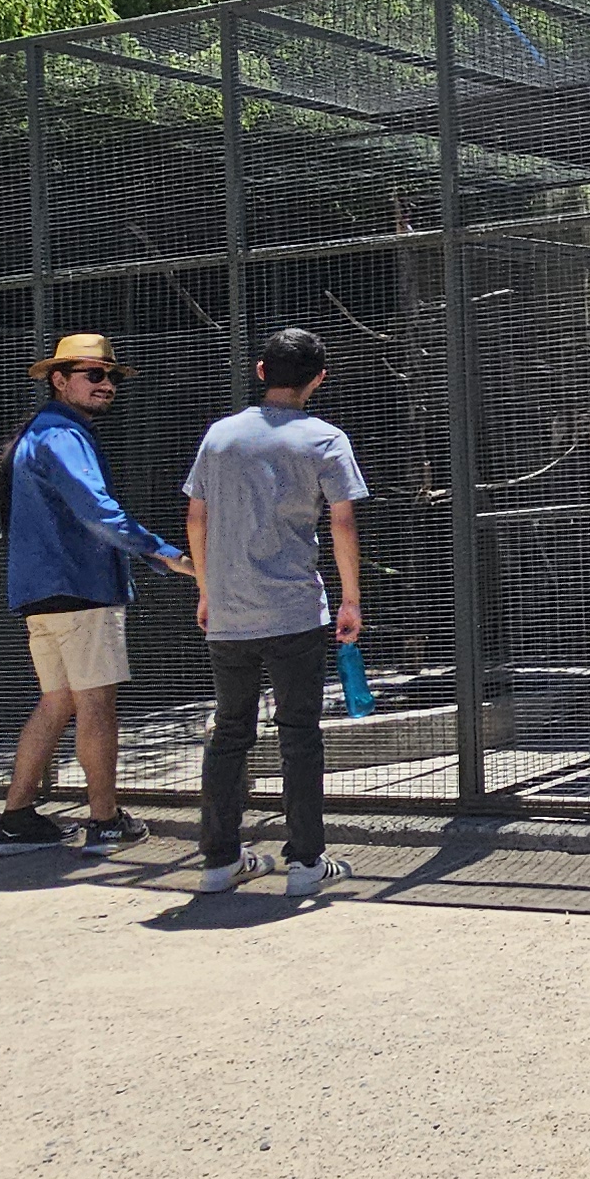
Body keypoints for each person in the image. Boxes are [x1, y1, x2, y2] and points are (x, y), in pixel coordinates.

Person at [0, 333, 196, 857]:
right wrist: (165, 553)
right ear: (58, 380)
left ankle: (15, 820)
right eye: (93, 375)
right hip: (79, 591)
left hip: (43, 594)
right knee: (97, 706)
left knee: (57, 702)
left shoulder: (42, 433)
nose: (106, 384)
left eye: (110, 376)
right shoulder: (61, 435)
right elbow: (96, 509)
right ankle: (104, 822)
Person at [184, 326, 369, 898]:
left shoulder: (219, 436)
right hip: (293, 609)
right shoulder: (325, 439)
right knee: (299, 735)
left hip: (230, 612)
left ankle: (219, 861)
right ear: (319, 379)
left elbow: (197, 517)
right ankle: (306, 865)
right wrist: (351, 598)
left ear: (261, 372)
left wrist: (207, 590)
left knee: (229, 732)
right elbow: (341, 522)